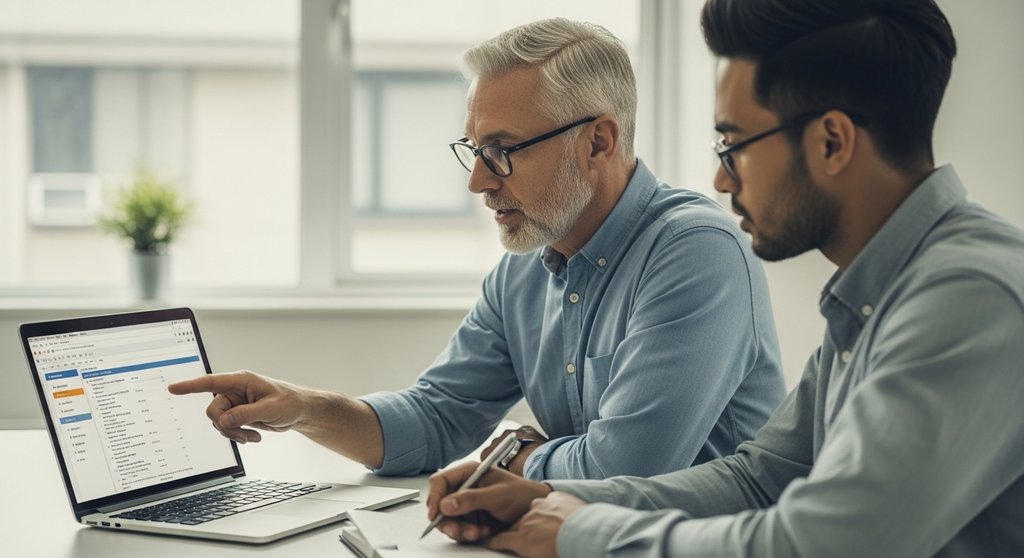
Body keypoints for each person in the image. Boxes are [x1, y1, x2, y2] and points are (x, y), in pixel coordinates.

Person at [425, 1, 1024, 556]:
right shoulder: (876, 296)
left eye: (734, 144)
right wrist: (554, 498)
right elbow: (760, 478)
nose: (720, 180)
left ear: (832, 142)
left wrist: (584, 531)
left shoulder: (968, 298)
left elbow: (822, 543)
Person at [169, 18, 786, 482]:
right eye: (473, 149)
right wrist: (303, 409)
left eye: (502, 149)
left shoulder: (696, 253)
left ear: (598, 141)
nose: (478, 181)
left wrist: (514, 455)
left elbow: (623, 472)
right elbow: (436, 420)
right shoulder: (524, 267)